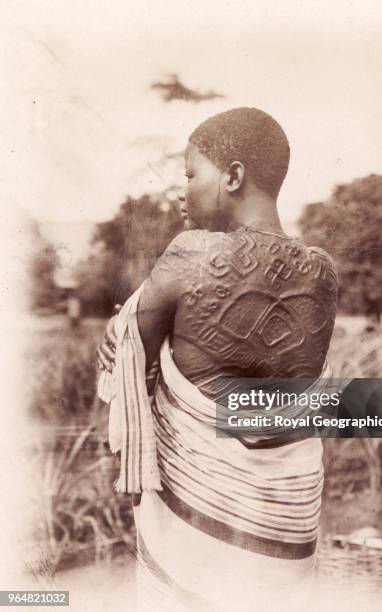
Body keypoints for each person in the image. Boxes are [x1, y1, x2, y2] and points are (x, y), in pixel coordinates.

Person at [97, 107, 338, 611]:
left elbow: (127, 351)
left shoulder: (189, 255)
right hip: (287, 523)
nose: (183, 188)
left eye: (190, 173)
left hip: (197, 523)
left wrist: (129, 320)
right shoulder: (322, 274)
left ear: (232, 175)